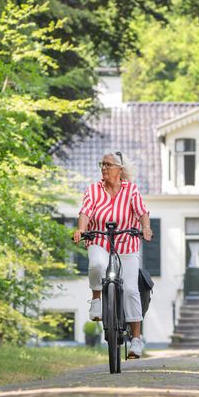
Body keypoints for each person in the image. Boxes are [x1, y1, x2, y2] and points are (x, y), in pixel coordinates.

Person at [73, 151, 153, 358]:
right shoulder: (94, 189)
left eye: (108, 164)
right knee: (97, 265)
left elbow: (142, 212)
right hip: (99, 240)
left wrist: (145, 228)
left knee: (131, 290)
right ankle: (96, 300)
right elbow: (85, 212)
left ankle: (136, 340)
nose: (104, 168)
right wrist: (81, 229)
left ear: (120, 169)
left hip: (126, 243)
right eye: (102, 164)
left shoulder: (131, 190)